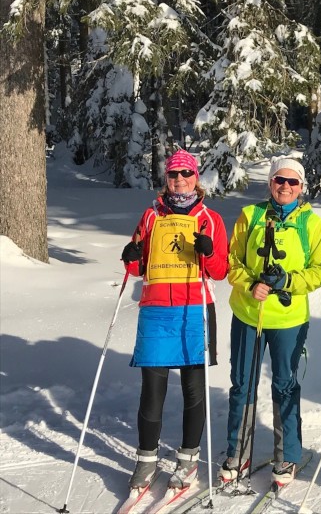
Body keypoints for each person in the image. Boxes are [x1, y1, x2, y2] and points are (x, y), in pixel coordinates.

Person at [121, 149, 229, 492]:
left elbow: (220, 271)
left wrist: (209, 251)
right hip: (155, 310)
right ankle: (146, 460)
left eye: (185, 173)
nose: (179, 179)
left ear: (196, 178)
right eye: (173, 174)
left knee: (193, 391)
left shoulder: (209, 219)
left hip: (194, 309)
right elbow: (138, 266)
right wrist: (130, 256)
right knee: (152, 391)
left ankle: (188, 459)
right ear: (166, 179)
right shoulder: (151, 215)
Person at [223, 158, 321, 485]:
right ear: (271, 182)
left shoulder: (310, 222)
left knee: (284, 383)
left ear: (301, 187)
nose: (285, 187)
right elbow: (232, 261)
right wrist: (249, 283)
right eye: (279, 180)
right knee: (243, 383)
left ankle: (287, 455)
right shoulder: (250, 216)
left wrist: (287, 281)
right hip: (248, 313)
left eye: (292, 182)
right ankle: (237, 452)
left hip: (288, 319)